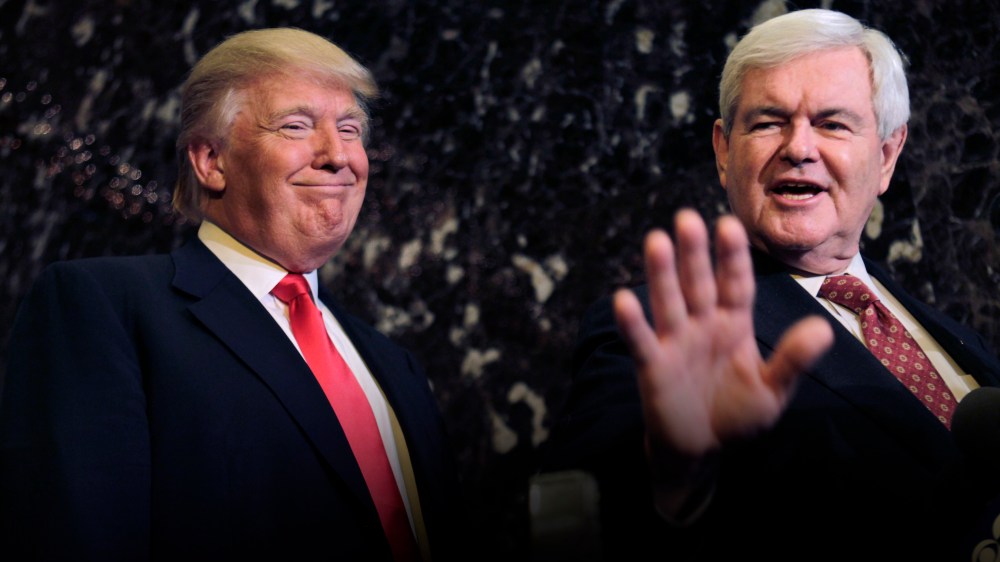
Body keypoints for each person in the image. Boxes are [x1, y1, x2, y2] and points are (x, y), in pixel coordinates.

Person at [541, 9, 1000, 562]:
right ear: (724, 150)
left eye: (832, 123)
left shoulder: (955, 335)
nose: (799, 147)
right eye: (767, 123)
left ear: (885, 157)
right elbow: (577, 530)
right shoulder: (667, 330)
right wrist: (675, 480)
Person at [0, 28, 469, 561]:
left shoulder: (394, 365)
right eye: (296, 126)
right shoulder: (106, 306)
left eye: (350, 129)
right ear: (210, 161)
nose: (338, 156)